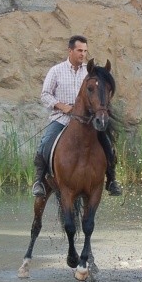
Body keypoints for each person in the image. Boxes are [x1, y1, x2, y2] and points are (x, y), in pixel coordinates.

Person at [32, 35, 122, 197]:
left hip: (86, 122)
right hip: (61, 119)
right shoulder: (56, 71)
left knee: (107, 143)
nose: (83, 54)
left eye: (85, 51)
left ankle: (111, 180)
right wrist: (64, 107)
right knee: (45, 143)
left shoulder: (90, 73)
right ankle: (39, 181)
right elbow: (45, 95)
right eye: (79, 50)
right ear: (70, 51)